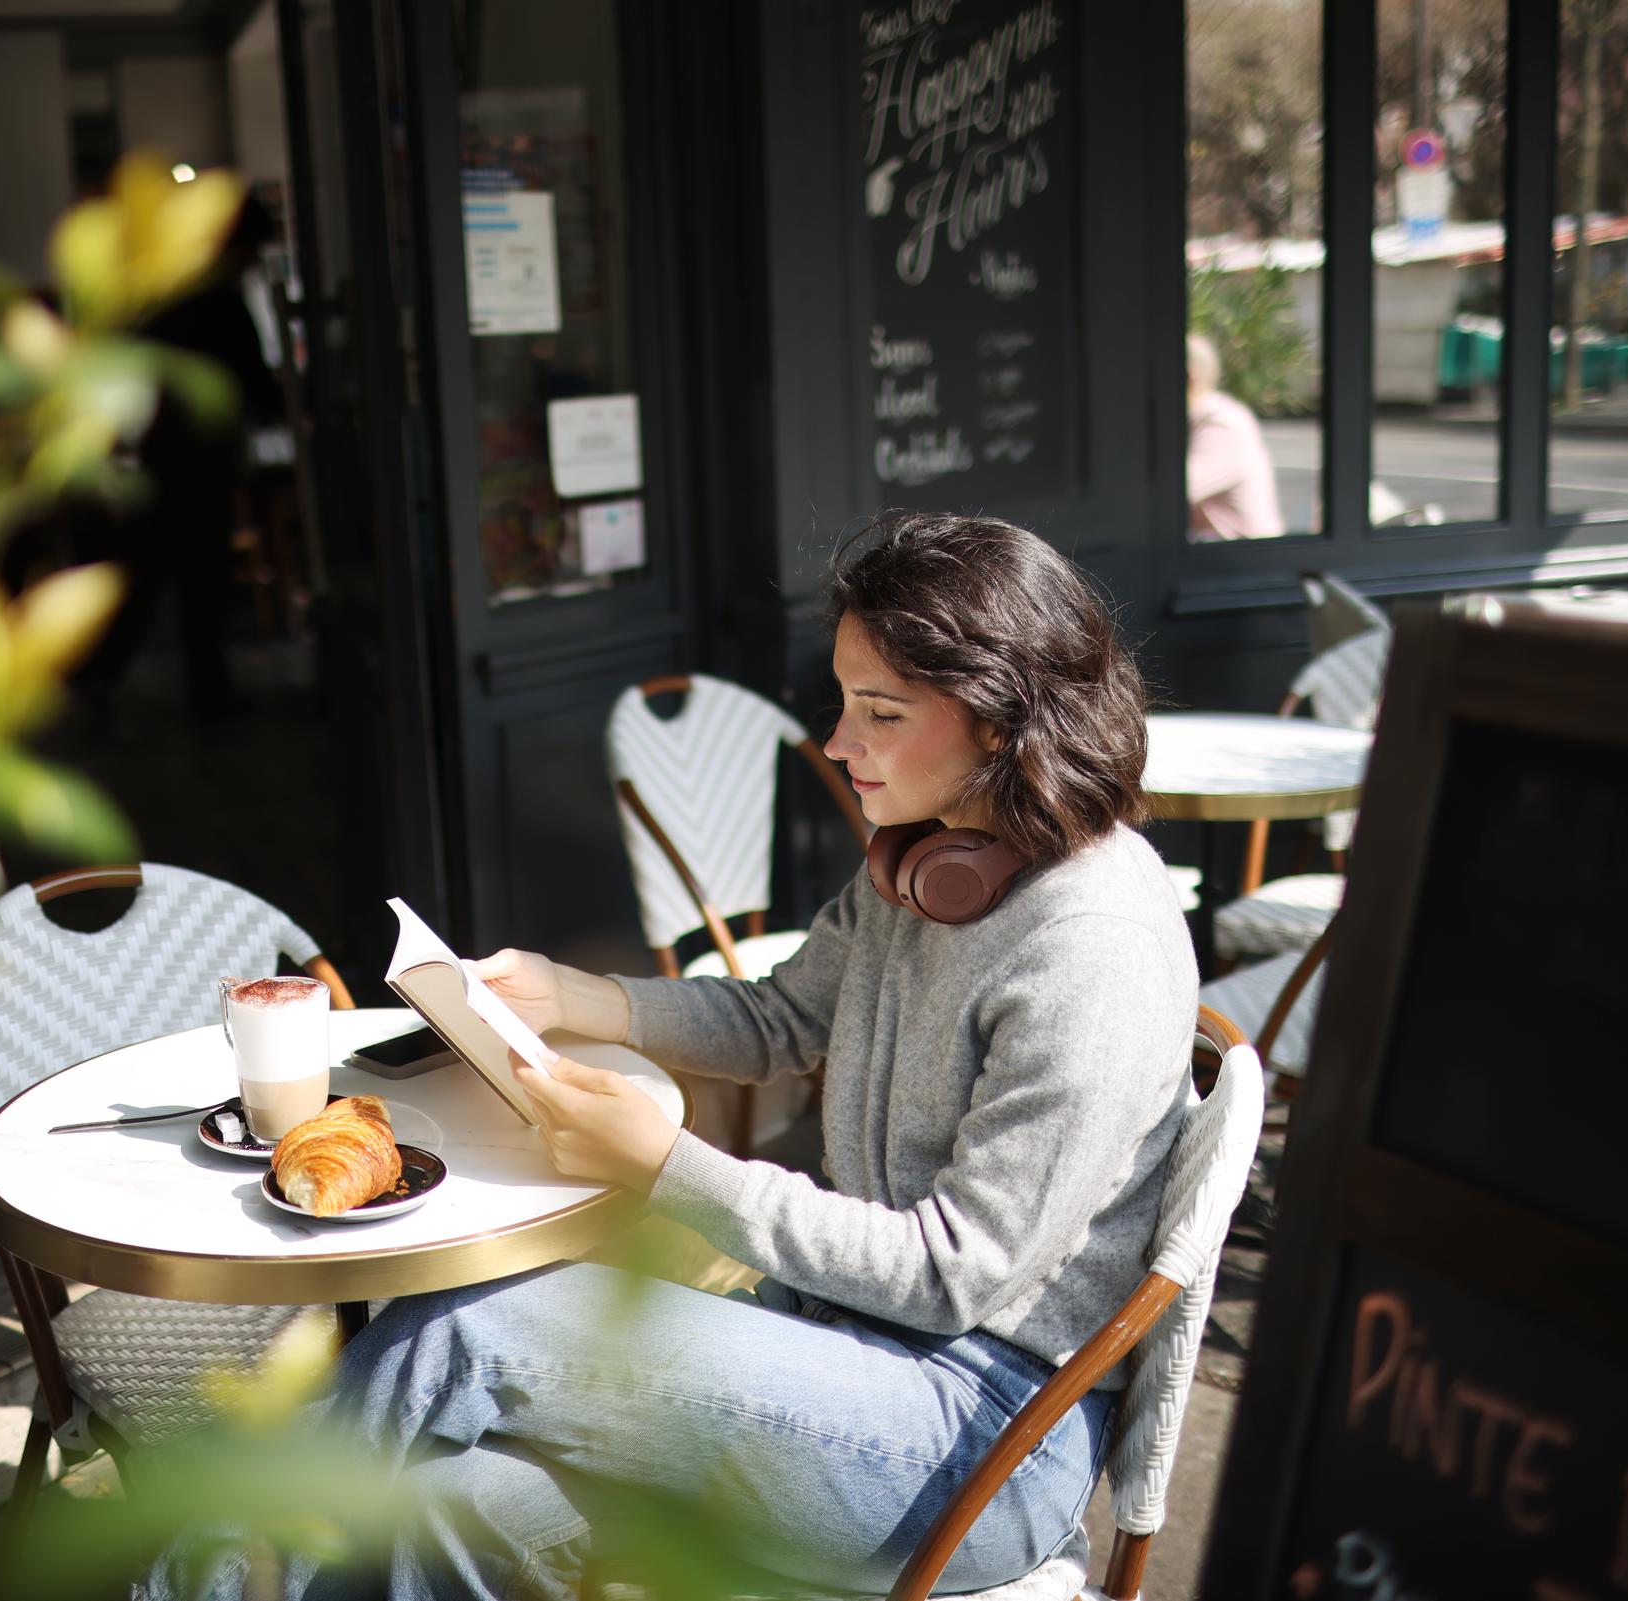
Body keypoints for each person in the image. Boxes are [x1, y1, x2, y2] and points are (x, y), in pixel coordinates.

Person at [142, 512, 1198, 1600]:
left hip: (976, 1437)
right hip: (847, 1347)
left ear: (1000, 723)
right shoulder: (932, 862)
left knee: (465, 1325)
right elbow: (783, 1016)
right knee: (442, 1505)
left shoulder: (1090, 943)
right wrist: (586, 997)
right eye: (844, 702)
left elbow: (949, 1275)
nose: (840, 743)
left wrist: (665, 1164)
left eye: (881, 712)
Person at [1186, 333, 1286, 540]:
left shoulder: (1220, 424)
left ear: (1190, 377)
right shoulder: (1199, 421)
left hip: (1248, 562)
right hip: (1216, 556)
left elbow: (1164, 497)